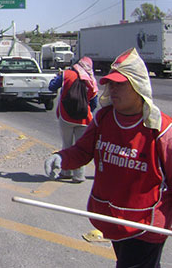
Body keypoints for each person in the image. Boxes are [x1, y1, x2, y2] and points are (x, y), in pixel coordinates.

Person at [44, 48, 172, 267]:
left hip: (145, 225)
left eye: (120, 84)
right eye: (110, 83)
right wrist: (62, 158)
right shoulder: (104, 118)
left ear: (138, 85)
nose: (112, 89)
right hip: (113, 219)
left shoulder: (161, 129)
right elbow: (83, 151)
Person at [48, 56, 99, 183]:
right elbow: (94, 102)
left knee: (67, 144)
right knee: (80, 147)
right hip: (84, 119)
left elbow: (52, 87)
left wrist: (57, 76)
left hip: (66, 117)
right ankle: (79, 175)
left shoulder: (67, 74)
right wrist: (86, 111)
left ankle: (65, 171)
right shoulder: (91, 80)